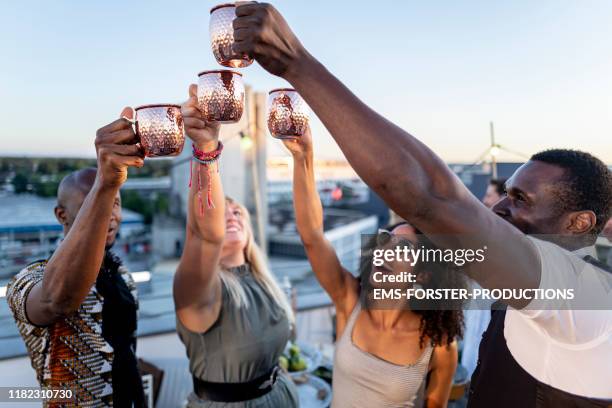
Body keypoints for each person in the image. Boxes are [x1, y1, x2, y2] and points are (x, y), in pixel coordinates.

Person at [230, 3, 612, 405]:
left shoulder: (584, 294)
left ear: (577, 224)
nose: (498, 209)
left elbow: (431, 198)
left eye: (520, 200)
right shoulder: (524, 292)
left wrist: (295, 60)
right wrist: (303, 159)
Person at [286, 127, 464, 407]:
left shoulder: (439, 343)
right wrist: (303, 158)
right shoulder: (350, 300)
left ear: (425, 273)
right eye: (385, 241)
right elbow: (311, 236)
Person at [6, 108, 146, 407]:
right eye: (92, 205)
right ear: (61, 214)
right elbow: (57, 298)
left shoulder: (124, 278)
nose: (109, 214)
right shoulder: (28, 279)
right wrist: (106, 185)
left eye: (115, 203)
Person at [173, 84, 298, 407]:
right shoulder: (202, 289)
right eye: (222, 211)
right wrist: (206, 147)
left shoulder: (263, 280)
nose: (230, 215)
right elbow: (203, 235)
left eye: (237, 211)